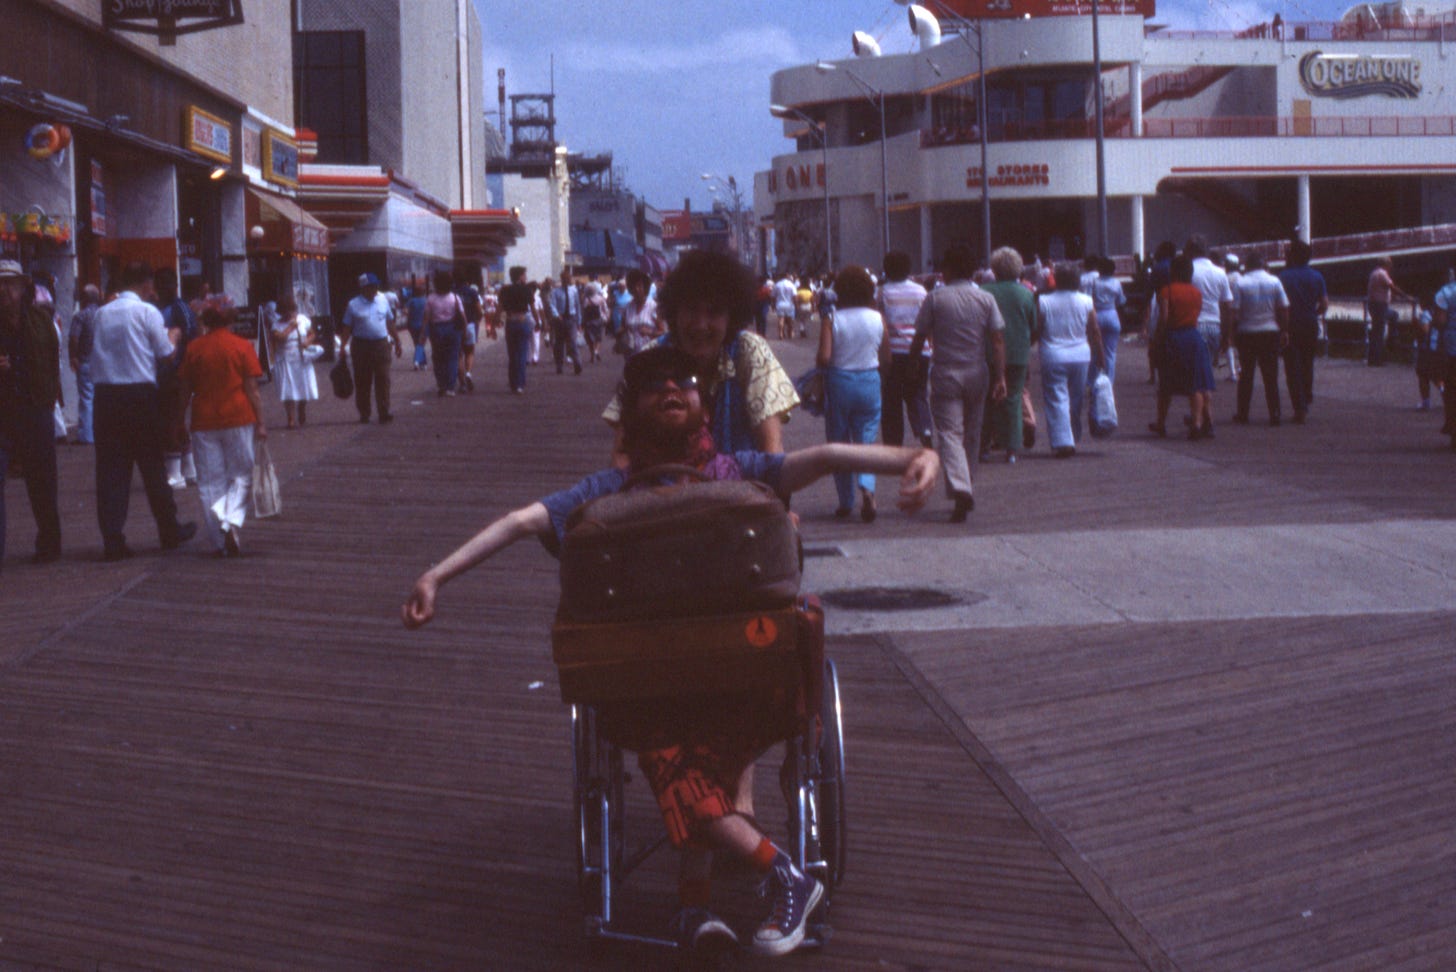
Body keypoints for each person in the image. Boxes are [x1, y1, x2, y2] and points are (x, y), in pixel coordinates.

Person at [402, 343, 940, 957]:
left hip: (735, 685)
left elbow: (823, 457)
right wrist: (434, 576)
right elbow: (520, 521)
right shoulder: (611, 489)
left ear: (702, 402)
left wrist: (916, 456)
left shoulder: (734, 470)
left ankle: (721, 898)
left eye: (682, 382)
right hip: (672, 688)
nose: (669, 390)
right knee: (679, 752)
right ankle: (763, 882)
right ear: (630, 411)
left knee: (674, 759)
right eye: (652, 385)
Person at [604, 250, 799, 461]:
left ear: (731, 317)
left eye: (714, 312)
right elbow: (622, 454)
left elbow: (771, 451)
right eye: (691, 310)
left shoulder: (749, 351)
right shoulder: (650, 358)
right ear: (675, 312)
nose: (700, 325)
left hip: (743, 480)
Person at [87, 262, 197, 561]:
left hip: (106, 396)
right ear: (146, 283)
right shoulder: (147, 312)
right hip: (139, 395)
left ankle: (113, 539)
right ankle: (169, 530)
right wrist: (174, 336)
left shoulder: (102, 313)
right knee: (152, 466)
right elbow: (166, 355)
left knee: (111, 470)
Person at [909, 243, 1008, 520]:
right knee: (973, 433)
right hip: (977, 371)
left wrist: (914, 365)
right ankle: (967, 484)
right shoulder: (985, 299)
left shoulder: (935, 298)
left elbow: (919, 337)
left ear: (948, 269)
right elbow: (997, 340)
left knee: (950, 433)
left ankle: (961, 487)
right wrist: (1001, 376)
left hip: (946, 372)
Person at [179, 302, 266, 557]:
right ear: (230, 321)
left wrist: (178, 420)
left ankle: (219, 538)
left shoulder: (194, 348)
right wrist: (261, 422)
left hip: (204, 419)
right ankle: (231, 523)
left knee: (209, 481)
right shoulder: (242, 346)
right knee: (241, 475)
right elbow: (252, 389)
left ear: (206, 321)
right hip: (238, 416)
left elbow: (184, 389)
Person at [0, 260, 63, 566]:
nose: (3, 290)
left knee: (43, 481)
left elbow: (52, 360)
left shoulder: (39, 319)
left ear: (23, 287)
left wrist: (51, 399)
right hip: (3, 412)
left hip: (35, 407)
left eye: (9, 284)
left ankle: (49, 543)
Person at [817, 266, 884, 521]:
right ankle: (868, 489)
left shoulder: (832, 318)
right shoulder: (877, 318)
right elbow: (886, 357)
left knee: (840, 442)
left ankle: (846, 501)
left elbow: (824, 357)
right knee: (866, 439)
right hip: (870, 379)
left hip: (840, 382)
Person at [1036, 262, 1104, 458]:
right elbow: (1094, 331)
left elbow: (1037, 329)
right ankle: (1073, 435)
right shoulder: (1086, 301)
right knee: (1076, 399)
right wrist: (1100, 355)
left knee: (1056, 398)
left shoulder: (1044, 301)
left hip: (1053, 355)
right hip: (1081, 356)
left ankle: (1063, 441)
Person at [1149, 254, 1217, 440]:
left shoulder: (1166, 291)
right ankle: (1197, 423)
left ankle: (1161, 424)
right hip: (1194, 338)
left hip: (1174, 337)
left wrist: (1157, 340)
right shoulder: (1196, 293)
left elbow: (1164, 318)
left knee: (1166, 384)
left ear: (1173, 271)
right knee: (1196, 384)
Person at [980, 246, 1036, 464]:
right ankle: (1012, 449)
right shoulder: (1026, 293)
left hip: (988, 352)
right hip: (1018, 352)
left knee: (986, 400)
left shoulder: (984, 291)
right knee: (1013, 399)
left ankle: (983, 446)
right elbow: (1034, 324)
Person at [877, 251, 932, 448]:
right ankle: (925, 430)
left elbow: (879, 322)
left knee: (892, 399)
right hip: (920, 350)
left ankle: (893, 444)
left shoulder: (882, 292)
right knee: (918, 394)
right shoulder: (921, 291)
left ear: (886, 269)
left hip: (893, 352)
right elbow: (927, 322)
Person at [1230, 252, 1290, 426]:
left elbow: (1234, 313)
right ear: (1263, 264)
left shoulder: (1241, 283)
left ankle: (1243, 413)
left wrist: (1232, 335)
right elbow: (1284, 308)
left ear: (1247, 266)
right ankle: (1275, 413)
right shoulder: (1274, 281)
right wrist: (1284, 330)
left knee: (1246, 375)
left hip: (1246, 332)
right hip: (1270, 332)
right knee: (1270, 376)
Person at [154, 268, 198, 489]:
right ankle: (189, 470)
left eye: (165, 286)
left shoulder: (180, 309)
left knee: (171, 420)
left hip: (176, 374)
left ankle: (175, 474)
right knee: (176, 420)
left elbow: (191, 340)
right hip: (166, 374)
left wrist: (183, 369)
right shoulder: (162, 308)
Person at [338, 272, 401, 423]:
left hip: (381, 345)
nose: (374, 289)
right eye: (371, 287)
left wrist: (398, 341)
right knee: (362, 381)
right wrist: (342, 346)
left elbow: (390, 322)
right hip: (361, 346)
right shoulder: (353, 305)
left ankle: (384, 411)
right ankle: (364, 412)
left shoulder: (383, 301)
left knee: (383, 379)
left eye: (375, 286)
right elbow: (347, 327)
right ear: (363, 288)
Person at [1277, 240, 1327, 424]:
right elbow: (1324, 304)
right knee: (1307, 363)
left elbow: (1279, 305)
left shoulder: (1283, 276)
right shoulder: (1317, 276)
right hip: (1310, 323)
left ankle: (1299, 406)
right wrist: (1314, 313)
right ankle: (1306, 395)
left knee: (1292, 366)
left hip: (1290, 325)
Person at [270, 295, 319, 428]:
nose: (290, 314)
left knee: (303, 386)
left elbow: (312, 334)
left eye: (292, 311)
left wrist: (307, 342)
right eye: (286, 312)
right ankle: (290, 419)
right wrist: (290, 327)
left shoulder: (303, 319)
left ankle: (302, 406)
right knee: (288, 390)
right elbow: (279, 338)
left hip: (301, 358)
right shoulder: (276, 325)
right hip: (285, 359)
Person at [67, 283, 102, 445]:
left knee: (86, 398)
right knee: (98, 398)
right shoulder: (103, 314)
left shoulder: (80, 316)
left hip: (86, 360)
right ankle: (98, 432)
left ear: (84, 298)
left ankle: (87, 435)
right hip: (101, 362)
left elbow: (74, 338)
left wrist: (73, 356)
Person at [424, 270, 467, 397]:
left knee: (438, 358)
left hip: (436, 329)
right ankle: (450, 387)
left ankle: (441, 385)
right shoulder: (455, 297)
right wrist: (464, 331)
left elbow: (426, 318)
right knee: (452, 358)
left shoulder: (431, 298)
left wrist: (423, 333)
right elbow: (463, 316)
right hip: (453, 329)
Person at [1366, 256, 1413, 367]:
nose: (1391, 267)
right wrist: (1406, 296)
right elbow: (1392, 287)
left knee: (1380, 327)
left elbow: (1381, 289)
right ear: (1386, 264)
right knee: (1379, 332)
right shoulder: (1382, 274)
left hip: (1375, 305)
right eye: (1390, 264)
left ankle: (1373, 357)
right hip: (1380, 306)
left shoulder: (1374, 273)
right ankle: (1382, 354)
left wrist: (1392, 297)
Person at [499, 266, 537, 394]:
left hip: (510, 322)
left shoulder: (505, 290)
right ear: (520, 276)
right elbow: (533, 308)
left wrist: (494, 324)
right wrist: (538, 321)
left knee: (512, 354)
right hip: (522, 321)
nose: (526, 277)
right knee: (522, 353)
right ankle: (520, 384)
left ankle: (513, 382)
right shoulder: (527, 290)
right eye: (524, 275)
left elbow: (500, 307)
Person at [1089, 256, 1127, 385]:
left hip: (1097, 315)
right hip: (1112, 314)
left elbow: (1089, 301)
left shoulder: (1095, 282)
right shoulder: (1116, 283)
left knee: (1095, 352)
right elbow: (1121, 302)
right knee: (1110, 353)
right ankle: (1109, 383)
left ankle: (1093, 383)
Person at [548, 268, 583, 376]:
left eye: (568, 279)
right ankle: (559, 365)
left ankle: (577, 363)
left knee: (573, 342)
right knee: (559, 344)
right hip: (560, 320)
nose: (567, 281)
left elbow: (577, 306)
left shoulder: (574, 291)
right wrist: (556, 314)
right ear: (562, 279)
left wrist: (579, 321)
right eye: (565, 279)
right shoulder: (555, 291)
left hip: (571, 319)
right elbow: (552, 305)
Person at [620, 268, 660, 356]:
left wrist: (650, 332)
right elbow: (622, 327)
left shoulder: (654, 307)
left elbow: (663, 332)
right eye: (633, 286)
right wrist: (621, 333)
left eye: (639, 286)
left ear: (645, 287)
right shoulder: (627, 308)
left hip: (650, 353)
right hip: (631, 354)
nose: (637, 289)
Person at [458, 281, 483, 391]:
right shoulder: (472, 292)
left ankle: (462, 383)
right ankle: (468, 373)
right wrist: (478, 319)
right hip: (470, 324)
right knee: (470, 352)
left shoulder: (452, 292)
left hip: (456, 327)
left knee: (459, 355)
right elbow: (479, 310)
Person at [403, 278, 428, 370]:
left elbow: (405, 311)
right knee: (421, 344)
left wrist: (411, 314)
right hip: (424, 325)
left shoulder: (411, 301)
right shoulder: (426, 301)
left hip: (412, 325)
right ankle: (418, 361)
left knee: (417, 343)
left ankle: (422, 362)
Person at [580, 279, 608, 363]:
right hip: (598, 320)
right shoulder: (600, 298)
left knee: (590, 339)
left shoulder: (586, 300)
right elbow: (605, 309)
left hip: (589, 321)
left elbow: (584, 311)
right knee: (598, 337)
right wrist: (606, 317)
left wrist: (582, 321)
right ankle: (596, 351)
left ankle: (592, 355)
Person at [772, 273, 797, 340]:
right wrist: (796, 304)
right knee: (790, 320)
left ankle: (781, 333)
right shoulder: (791, 285)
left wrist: (773, 305)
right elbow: (794, 296)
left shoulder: (777, 284)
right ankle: (790, 333)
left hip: (780, 304)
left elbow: (773, 296)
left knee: (781, 319)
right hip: (789, 304)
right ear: (787, 277)